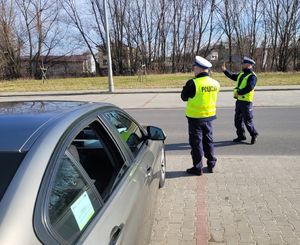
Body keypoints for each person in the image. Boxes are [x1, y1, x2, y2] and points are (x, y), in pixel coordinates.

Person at [181, 56, 220, 176]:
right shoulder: (215, 83)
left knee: (196, 143)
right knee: (208, 140)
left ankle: (198, 168)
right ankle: (211, 163)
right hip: (209, 117)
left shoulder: (193, 83)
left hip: (195, 118)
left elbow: (184, 97)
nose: (193, 69)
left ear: (199, 68)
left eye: (195, 67)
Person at [221, 56, 259, 144]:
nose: (242, 65)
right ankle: (241, 136)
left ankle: (254, 134)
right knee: (237, 121)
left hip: (246, 102)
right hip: (239, 101)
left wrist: (239, 92)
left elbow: (250, 87)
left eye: (244, 64)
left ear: (249, 65)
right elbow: (233, 76)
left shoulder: (252, 76)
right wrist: (225, 71)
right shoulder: (242, 74)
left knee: (247, 121)